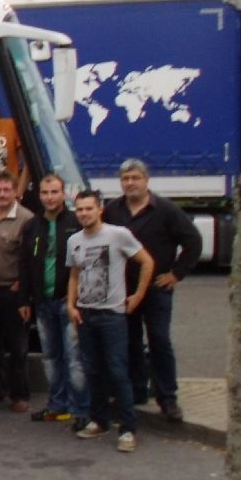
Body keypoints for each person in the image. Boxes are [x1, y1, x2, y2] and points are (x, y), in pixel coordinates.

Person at [103, 158, 202, 422]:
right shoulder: (112, 210)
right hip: (124, 288)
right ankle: (137, 392)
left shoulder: (166, 210)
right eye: (125, 179)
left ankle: (167, 398)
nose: (130, 183)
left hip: (157, 289)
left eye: (135, 178)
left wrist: (176, 274)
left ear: (146, 180)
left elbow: (193, 241)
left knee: (159, 340)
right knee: (131, 341)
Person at [69, 189, 155, 453]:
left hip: (112, 315)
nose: (84, 213)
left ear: (100, 209)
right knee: (93, 371)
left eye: (88, 208)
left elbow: (147, 262)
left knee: (117, 370)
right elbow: (74, 274)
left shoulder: (118, 235)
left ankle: (128, 429)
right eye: (80, 209)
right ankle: (99, 420)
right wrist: (70, 305)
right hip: (86, 314)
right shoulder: (74, 240)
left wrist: (138, 295)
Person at [18, 174, 89, 429]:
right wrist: (24, 299)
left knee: (74, 358)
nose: (50, 197)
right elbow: (24, 264)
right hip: (42, 302)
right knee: (50, 356)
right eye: (45, 192)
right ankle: (57, 405)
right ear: (40, 195)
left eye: (54, 192)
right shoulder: (31, 226)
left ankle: (81, 409)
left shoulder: (75, 222)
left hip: (68, 302)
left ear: (63, 194)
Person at [0, 171, 35, 414]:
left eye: (6, 190)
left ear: (15, 191)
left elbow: (30, 259)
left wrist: (22, 287)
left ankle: (19, 394)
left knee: (17, 347)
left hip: (13, 291)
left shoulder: (27, 219)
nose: (2, 195)